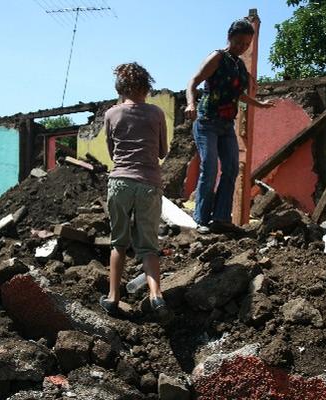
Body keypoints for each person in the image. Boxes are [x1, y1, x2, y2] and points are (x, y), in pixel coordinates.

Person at [185, 18, 275, 234]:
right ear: (230, 37)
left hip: (226, 125)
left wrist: (259, 104)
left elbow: (238, 93)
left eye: (246, 44)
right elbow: (193, 82)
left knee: (232, 168)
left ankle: (221, 218)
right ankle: (201, 219)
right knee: (210, 167)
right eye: (239, 42)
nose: (242, 47)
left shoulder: (239, 65)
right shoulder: (218, 57)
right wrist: (190, 103)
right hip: (207, 122)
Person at [99, 62, 169, 319]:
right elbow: (162, 152)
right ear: (147, 87)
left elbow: (112, 153)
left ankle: (112, 298)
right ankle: (156, 295)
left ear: (120, 88)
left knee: (119, 243)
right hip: (149, 184)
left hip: (120, 183)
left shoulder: (111, 114)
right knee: (148, 247)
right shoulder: (157, 113)